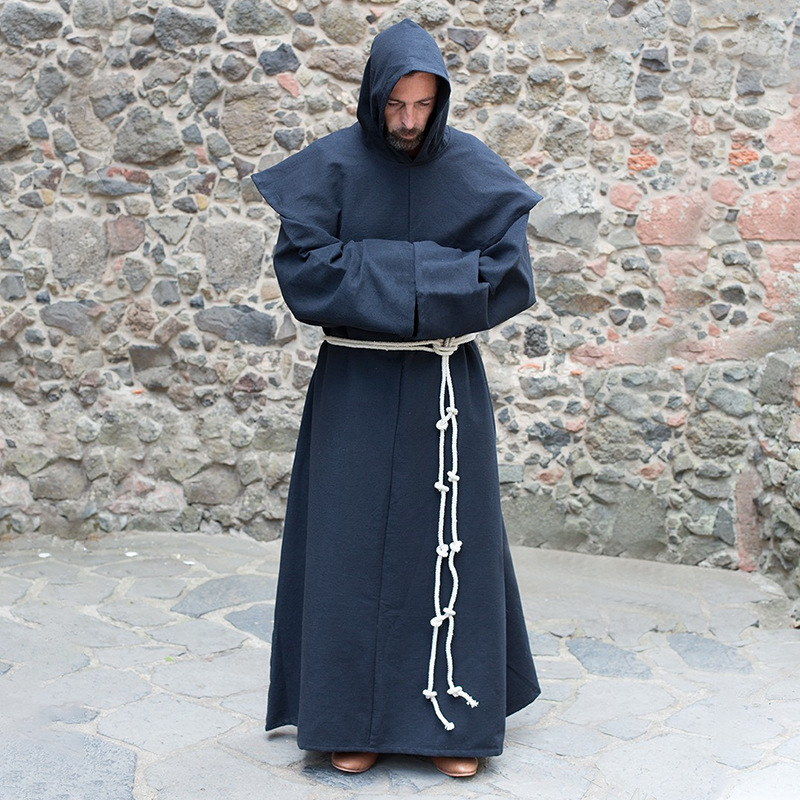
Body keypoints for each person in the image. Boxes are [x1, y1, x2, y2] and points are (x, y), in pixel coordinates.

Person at [251, 18, 541, 778]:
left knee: (447, 543)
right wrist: (435, 270)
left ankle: (452, 726)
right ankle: (351, 720)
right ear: (373, 94)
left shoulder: (473, 168)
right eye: (395, 104)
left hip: (445, 384)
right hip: (357, 384)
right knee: (349, 547)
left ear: (440, 99)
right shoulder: (329, 167)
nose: (409, 121)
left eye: (422, 105)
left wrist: (372, 267)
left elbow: (506, 277)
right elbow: (308, 277)